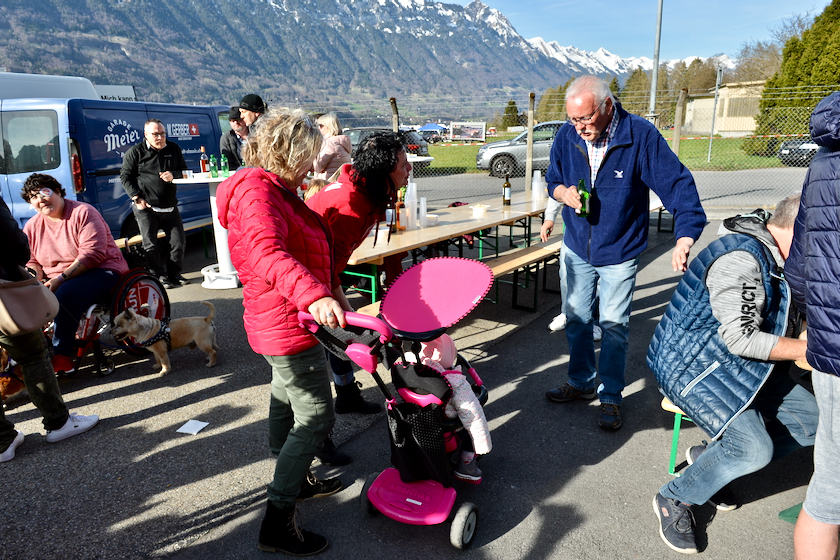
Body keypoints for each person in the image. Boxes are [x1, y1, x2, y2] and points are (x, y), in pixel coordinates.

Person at [648, 196, 818, 555]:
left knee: (815, 422)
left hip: (738, 367)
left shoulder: (777, 256)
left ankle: (713, 459)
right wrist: (811, 349)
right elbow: (742, 339)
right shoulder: (742, 259)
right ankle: (675, 497)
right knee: (754, 448)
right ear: (798, 229)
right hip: (693, 368)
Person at [544, 75, 706, 430]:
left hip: (619, 249)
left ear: (607, 106)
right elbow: (552, 178)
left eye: (585, 118)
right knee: (576, 320)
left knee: (614, 326)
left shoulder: (639, 135)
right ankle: (581, 381)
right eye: (573, 119)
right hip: (576, 247)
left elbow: (676, 182)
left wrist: (685, 234)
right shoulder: (566, 135)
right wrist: (562, 194)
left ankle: (611, 396)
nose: (579, 127)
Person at [216, 108, 342, 556]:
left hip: (281, 317)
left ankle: (294, 473)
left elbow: (303, 245)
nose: (311, 166)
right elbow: (268, 254)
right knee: (316, 417)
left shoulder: (274, 188)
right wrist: (315, 296)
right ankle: (278, 518)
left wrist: (332, 290)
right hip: (289, 319)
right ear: (285, 152)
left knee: (285, 394)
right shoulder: (258, 193)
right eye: (306, 156)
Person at [305, 131, 409, 464]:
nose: (409, 169)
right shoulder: (351, 206)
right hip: (304, 282)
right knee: (315, 359)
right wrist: (351, 316)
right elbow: (326, 272)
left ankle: (347, 394)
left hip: (319, 271)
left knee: (339, 331)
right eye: (404, 165)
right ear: (383, 173)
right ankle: (317, 441)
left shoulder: (364, 191)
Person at [0, 195, 99, 463]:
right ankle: (58, 422)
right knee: (33, 356)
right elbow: (15, 242)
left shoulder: (82, 212)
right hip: (3, 290)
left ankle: (1, 440)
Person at [786, 91, 840, 560]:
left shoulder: (825, 157)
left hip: (830, 348)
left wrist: (814, 324)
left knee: (830, 487)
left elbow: (799, 271)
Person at [20, 174, 129, 374]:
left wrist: (59, 280)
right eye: (33, 196)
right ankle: (39, 350)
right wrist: (35, 281)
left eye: (45, 192)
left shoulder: (83, 212)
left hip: (102, 269)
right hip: (58, 278)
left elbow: (92, 255)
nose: (41, 199)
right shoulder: (32, 226)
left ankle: (62, 354)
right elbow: (32, 261)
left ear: (59, 192)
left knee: (66, 294)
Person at [119, 119, 188, 289]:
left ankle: (174, 274)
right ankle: (159, 276)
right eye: (155, 134)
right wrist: (136, 197)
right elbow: (125, 176)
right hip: (147, 208)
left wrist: (174, 175)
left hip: (170, 206)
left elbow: (184, 171)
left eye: (162, 133)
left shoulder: (173, 148)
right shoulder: (136, 152)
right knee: (150, 244)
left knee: (178, 242)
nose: (160, 137)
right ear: (146, 135)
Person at [541, 196, 601, 341]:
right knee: (566, 273)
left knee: (596, 277)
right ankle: (566, 313)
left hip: (601, 228)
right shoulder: (572, 172)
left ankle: (591, 320)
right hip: (574, 229)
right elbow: (558, 186)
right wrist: (550, 218)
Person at [313, 113, 351, 180]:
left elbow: (318, 167)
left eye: (321, 125)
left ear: (328, 126)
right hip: (338, 181)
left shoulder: (330, 143)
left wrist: (313, 152)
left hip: (326, 183)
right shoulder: (341, 142)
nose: (318, 128)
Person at [220, 106, 248, 171]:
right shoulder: (226, 138)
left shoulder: (256, 134)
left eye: (238, 119)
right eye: (233, 120)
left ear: (244, 119)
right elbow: (228, 162)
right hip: (237, 174)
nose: (236, 122)